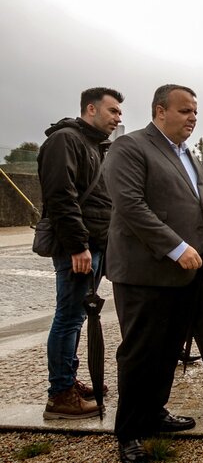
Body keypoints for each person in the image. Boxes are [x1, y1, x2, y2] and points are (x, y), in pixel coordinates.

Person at [105, 84, 203, 463]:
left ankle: (154, 413)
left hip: (185, 273)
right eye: (185, 110)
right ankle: (129, 432)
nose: (192, 117)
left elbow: (198, 208)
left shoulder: (188, 154)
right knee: (140, 351)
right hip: (145, 273)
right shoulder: (131, 148)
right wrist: (176, 248)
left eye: (195, 111)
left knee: (169, 349)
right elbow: (131, 206)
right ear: (160, 111)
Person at [37, 87, 123, 419]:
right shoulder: (65, 141)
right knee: (68, 317)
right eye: (112, 111)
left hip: (96, 244)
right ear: (91, 109)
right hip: (80, 247)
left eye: (119, 113)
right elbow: (61, 196)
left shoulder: (96, 146)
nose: (118, 118)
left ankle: (68, 381)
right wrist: (78, 246)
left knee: (76, 317)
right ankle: (59, 395)